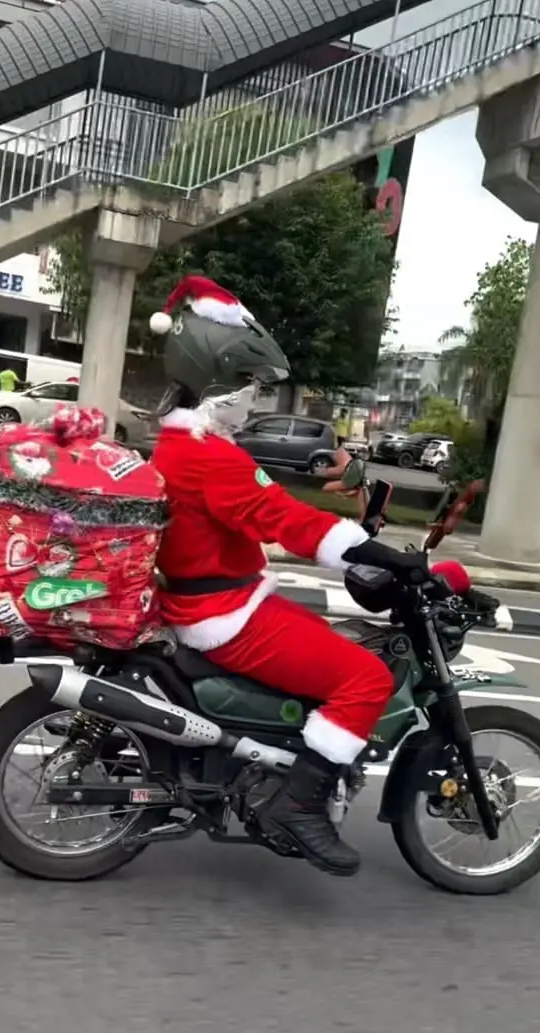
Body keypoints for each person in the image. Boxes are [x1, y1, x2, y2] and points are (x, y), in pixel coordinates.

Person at [148, 276, 434, 878]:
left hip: (218, 603)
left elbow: (268, 502)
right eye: (250, 386)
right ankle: (298, 804)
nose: (255, 399)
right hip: (224, 617)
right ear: (220, 383)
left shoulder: (181, 445)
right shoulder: (211, 458)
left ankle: (275, 769)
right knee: (364, 676)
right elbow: (283, 518)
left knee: (324, 643)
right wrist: (380, 556)